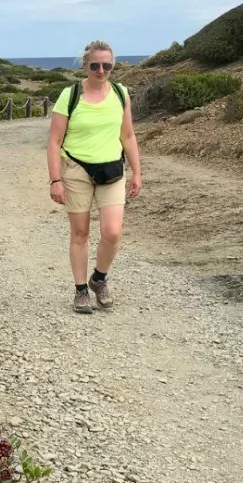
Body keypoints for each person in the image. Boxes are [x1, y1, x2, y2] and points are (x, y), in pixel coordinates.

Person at [47, 41, 142, 314]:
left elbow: (128, 135)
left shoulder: (121, 93)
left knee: (112, 233)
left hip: (112, 169)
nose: (101, 71)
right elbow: (54, 141)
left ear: (113, 66)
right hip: (76, 169)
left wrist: (137, 171)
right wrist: (55, 180)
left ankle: (98, 279)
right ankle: (80, 291)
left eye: (107, 65)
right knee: (80, 232)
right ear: (85, 66)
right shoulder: (70, 95)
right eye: (95, 65)